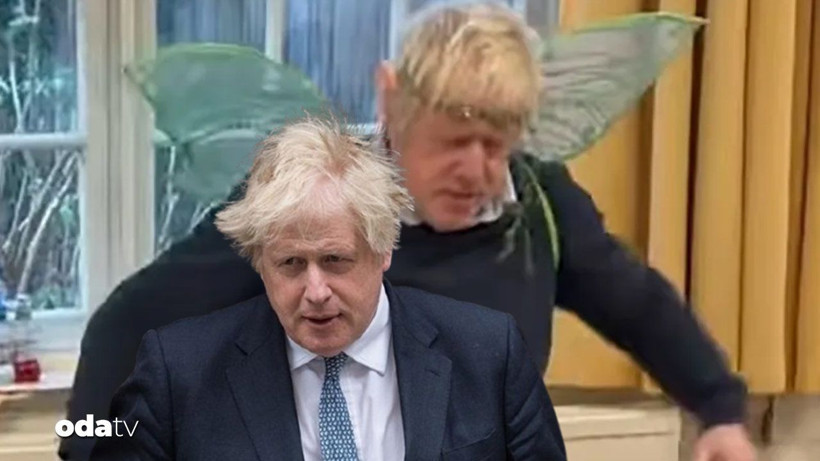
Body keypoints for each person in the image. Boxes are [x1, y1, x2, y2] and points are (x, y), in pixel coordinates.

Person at [62, 4, 756, 461]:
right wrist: (90, 445)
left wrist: (721, 409)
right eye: (454, 140)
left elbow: (639, 306)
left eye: (497, 144)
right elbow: (129, 319)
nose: (477, 170)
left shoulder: (540, 205)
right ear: (391, 98)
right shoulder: (309, 201)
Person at [88, 117, 566, 461]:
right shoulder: (180, 374)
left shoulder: (489, 354)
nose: (315, 291)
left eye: (335, 261)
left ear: (383, 250)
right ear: (260, 263)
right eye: (291, 264)